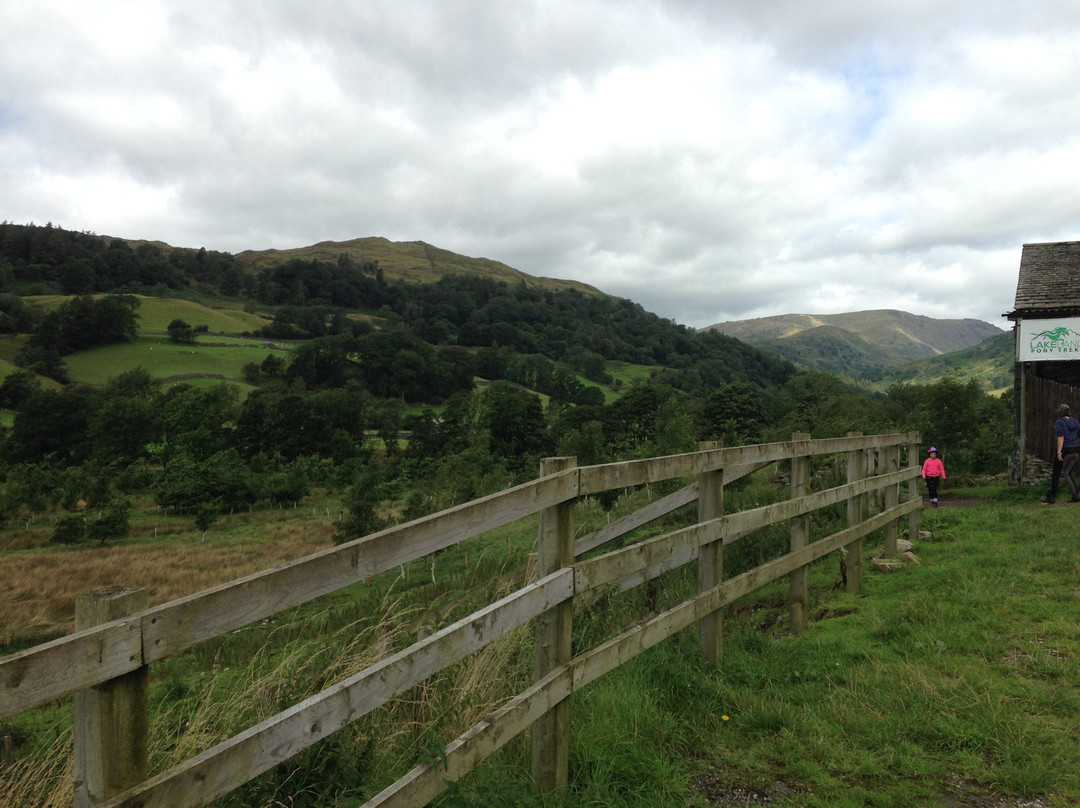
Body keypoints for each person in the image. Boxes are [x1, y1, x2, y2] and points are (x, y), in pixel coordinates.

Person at [1041, 403, 1080, 504]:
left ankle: (1052, 497)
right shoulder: (1075, 421)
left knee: (1056, 473)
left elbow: (1061, 438)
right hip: (1076, 450)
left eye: (1058, 412)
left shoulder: (1059, 422)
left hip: (1065, 449)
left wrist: (1059, 452)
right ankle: (1075, 495)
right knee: (1068, 472)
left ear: (1060, 412)